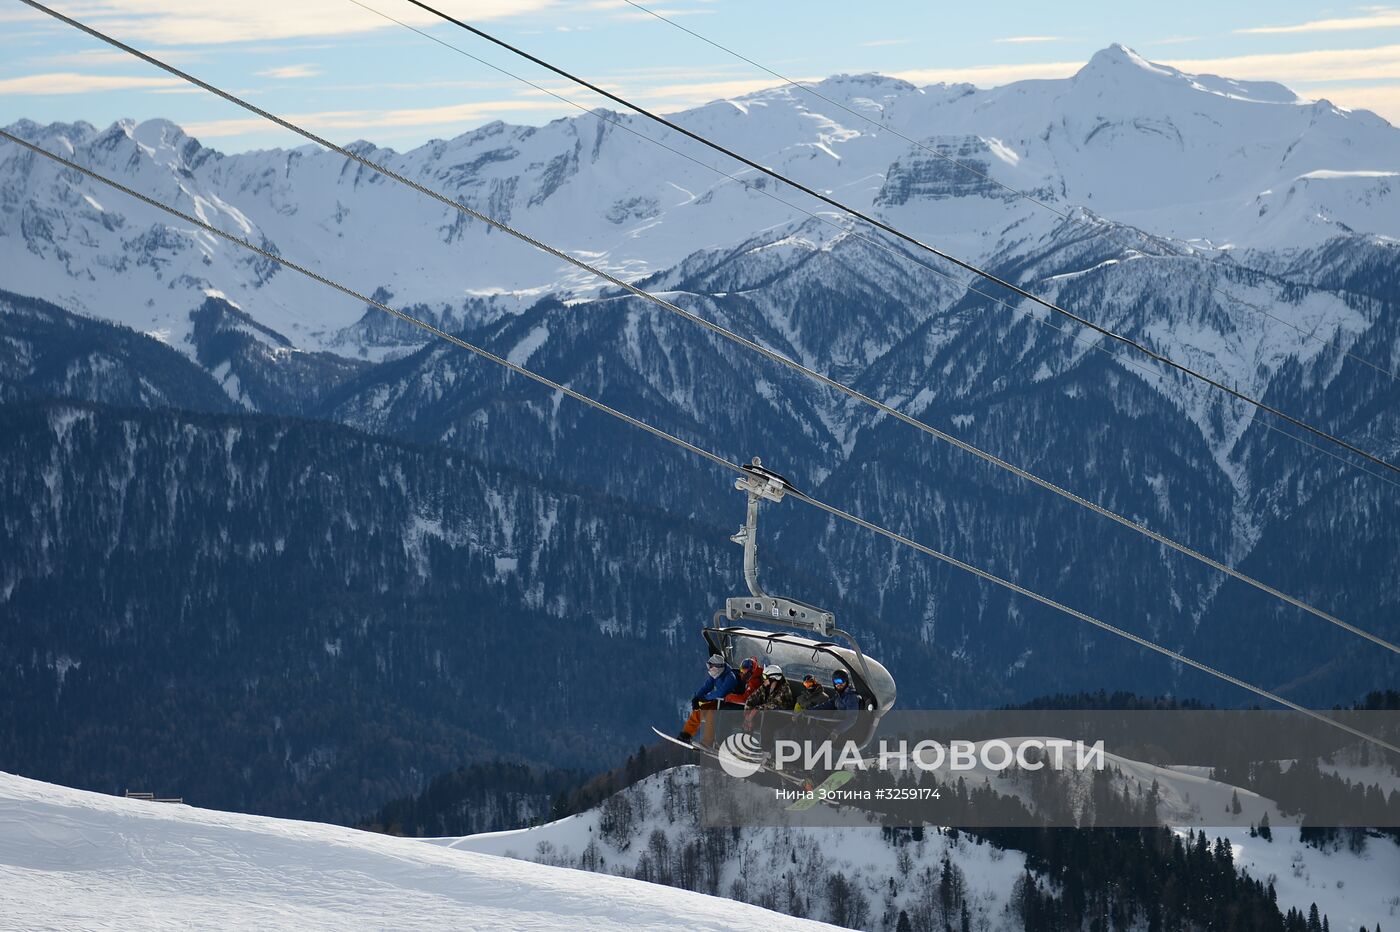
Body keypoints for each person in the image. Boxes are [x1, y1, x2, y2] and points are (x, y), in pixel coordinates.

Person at [677, 653, 739, 746]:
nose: (709, 669)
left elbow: (721, 692)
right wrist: (697, 697)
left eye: (711, 666)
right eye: (708, 666)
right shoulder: (716, 675)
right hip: (719, 702)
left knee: (711, 713)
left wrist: (705, 698)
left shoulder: (730, 677)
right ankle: (686, 734)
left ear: (718, 667)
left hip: (730, 705)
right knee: (700, 710)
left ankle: (708, 741)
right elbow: (706, 687)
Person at [810, 668, 864, 738]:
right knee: (811, 730)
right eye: (836, 682)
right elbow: (826, 705)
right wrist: (809, 711)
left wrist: (836, 731)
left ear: (846, 681)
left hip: (844, 731)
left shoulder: (851, 697)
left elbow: (852, 719)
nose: (838, 684)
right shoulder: (839, 695)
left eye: (841, 681)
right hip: (834, 725)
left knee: (816, 733)